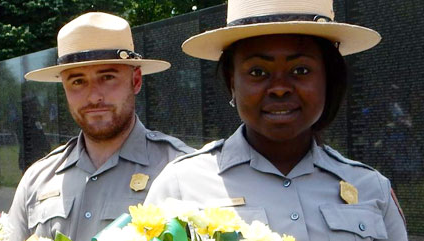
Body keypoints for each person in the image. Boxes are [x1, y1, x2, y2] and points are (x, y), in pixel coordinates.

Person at [144, 0, 408, 240]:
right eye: (258, 71)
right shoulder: (181, 186)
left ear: (328, 79)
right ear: (232, 83)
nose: (279, 88)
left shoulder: (371, 189)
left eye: (300, 70)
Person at [5, 12, 195, 241]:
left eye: (107, 77)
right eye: (77, 81)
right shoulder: (36, 180)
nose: (94, 96)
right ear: (64, 88)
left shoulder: (182, 171)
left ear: (135, 80)